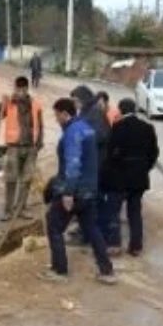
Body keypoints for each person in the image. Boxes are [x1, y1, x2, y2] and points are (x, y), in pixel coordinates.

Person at [41, 97, 118, 285]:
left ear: (65, 114)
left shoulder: (72, 133)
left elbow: (73, 164)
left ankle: (60, 270)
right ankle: (107, 271)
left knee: (54, 226)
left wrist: (68, 193)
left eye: (57, 115)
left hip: (75, 190)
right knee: (92, 229)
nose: (56, 119)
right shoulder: (86, 128)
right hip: (90, 189)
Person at [102, 98, 159, 256]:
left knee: (114, 210)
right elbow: (154, 153)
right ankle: (136, 246)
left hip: (120, 177)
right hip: (139, 178)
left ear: (120, 110)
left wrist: (109, 172)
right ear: (134, 110)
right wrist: (144, 168)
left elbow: (110, 153)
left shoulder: (118, 127)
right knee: (134, 211)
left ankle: (114, 244)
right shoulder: (148, 128)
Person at [0, 76, 44, 221]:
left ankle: (21, 209)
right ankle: (8, 211)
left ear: (26, 89)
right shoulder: (9, 103)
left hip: (30, 147)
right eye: (17, 89)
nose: (19, 91)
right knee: (11, 179)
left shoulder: (35, 104)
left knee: (26, 180)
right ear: (14, 88)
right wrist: (0, 105)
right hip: (13, 147)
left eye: (22, 89)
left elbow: (40, 125)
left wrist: (38, 145)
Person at [67, 85, 111, 246]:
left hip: (96, 165)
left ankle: (88, 236)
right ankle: (86, 232)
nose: (74, 104)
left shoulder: (95, 112)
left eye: (75, 101)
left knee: (89, 201)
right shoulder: (87, 112)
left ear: (83, 99)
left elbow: (102, 135)